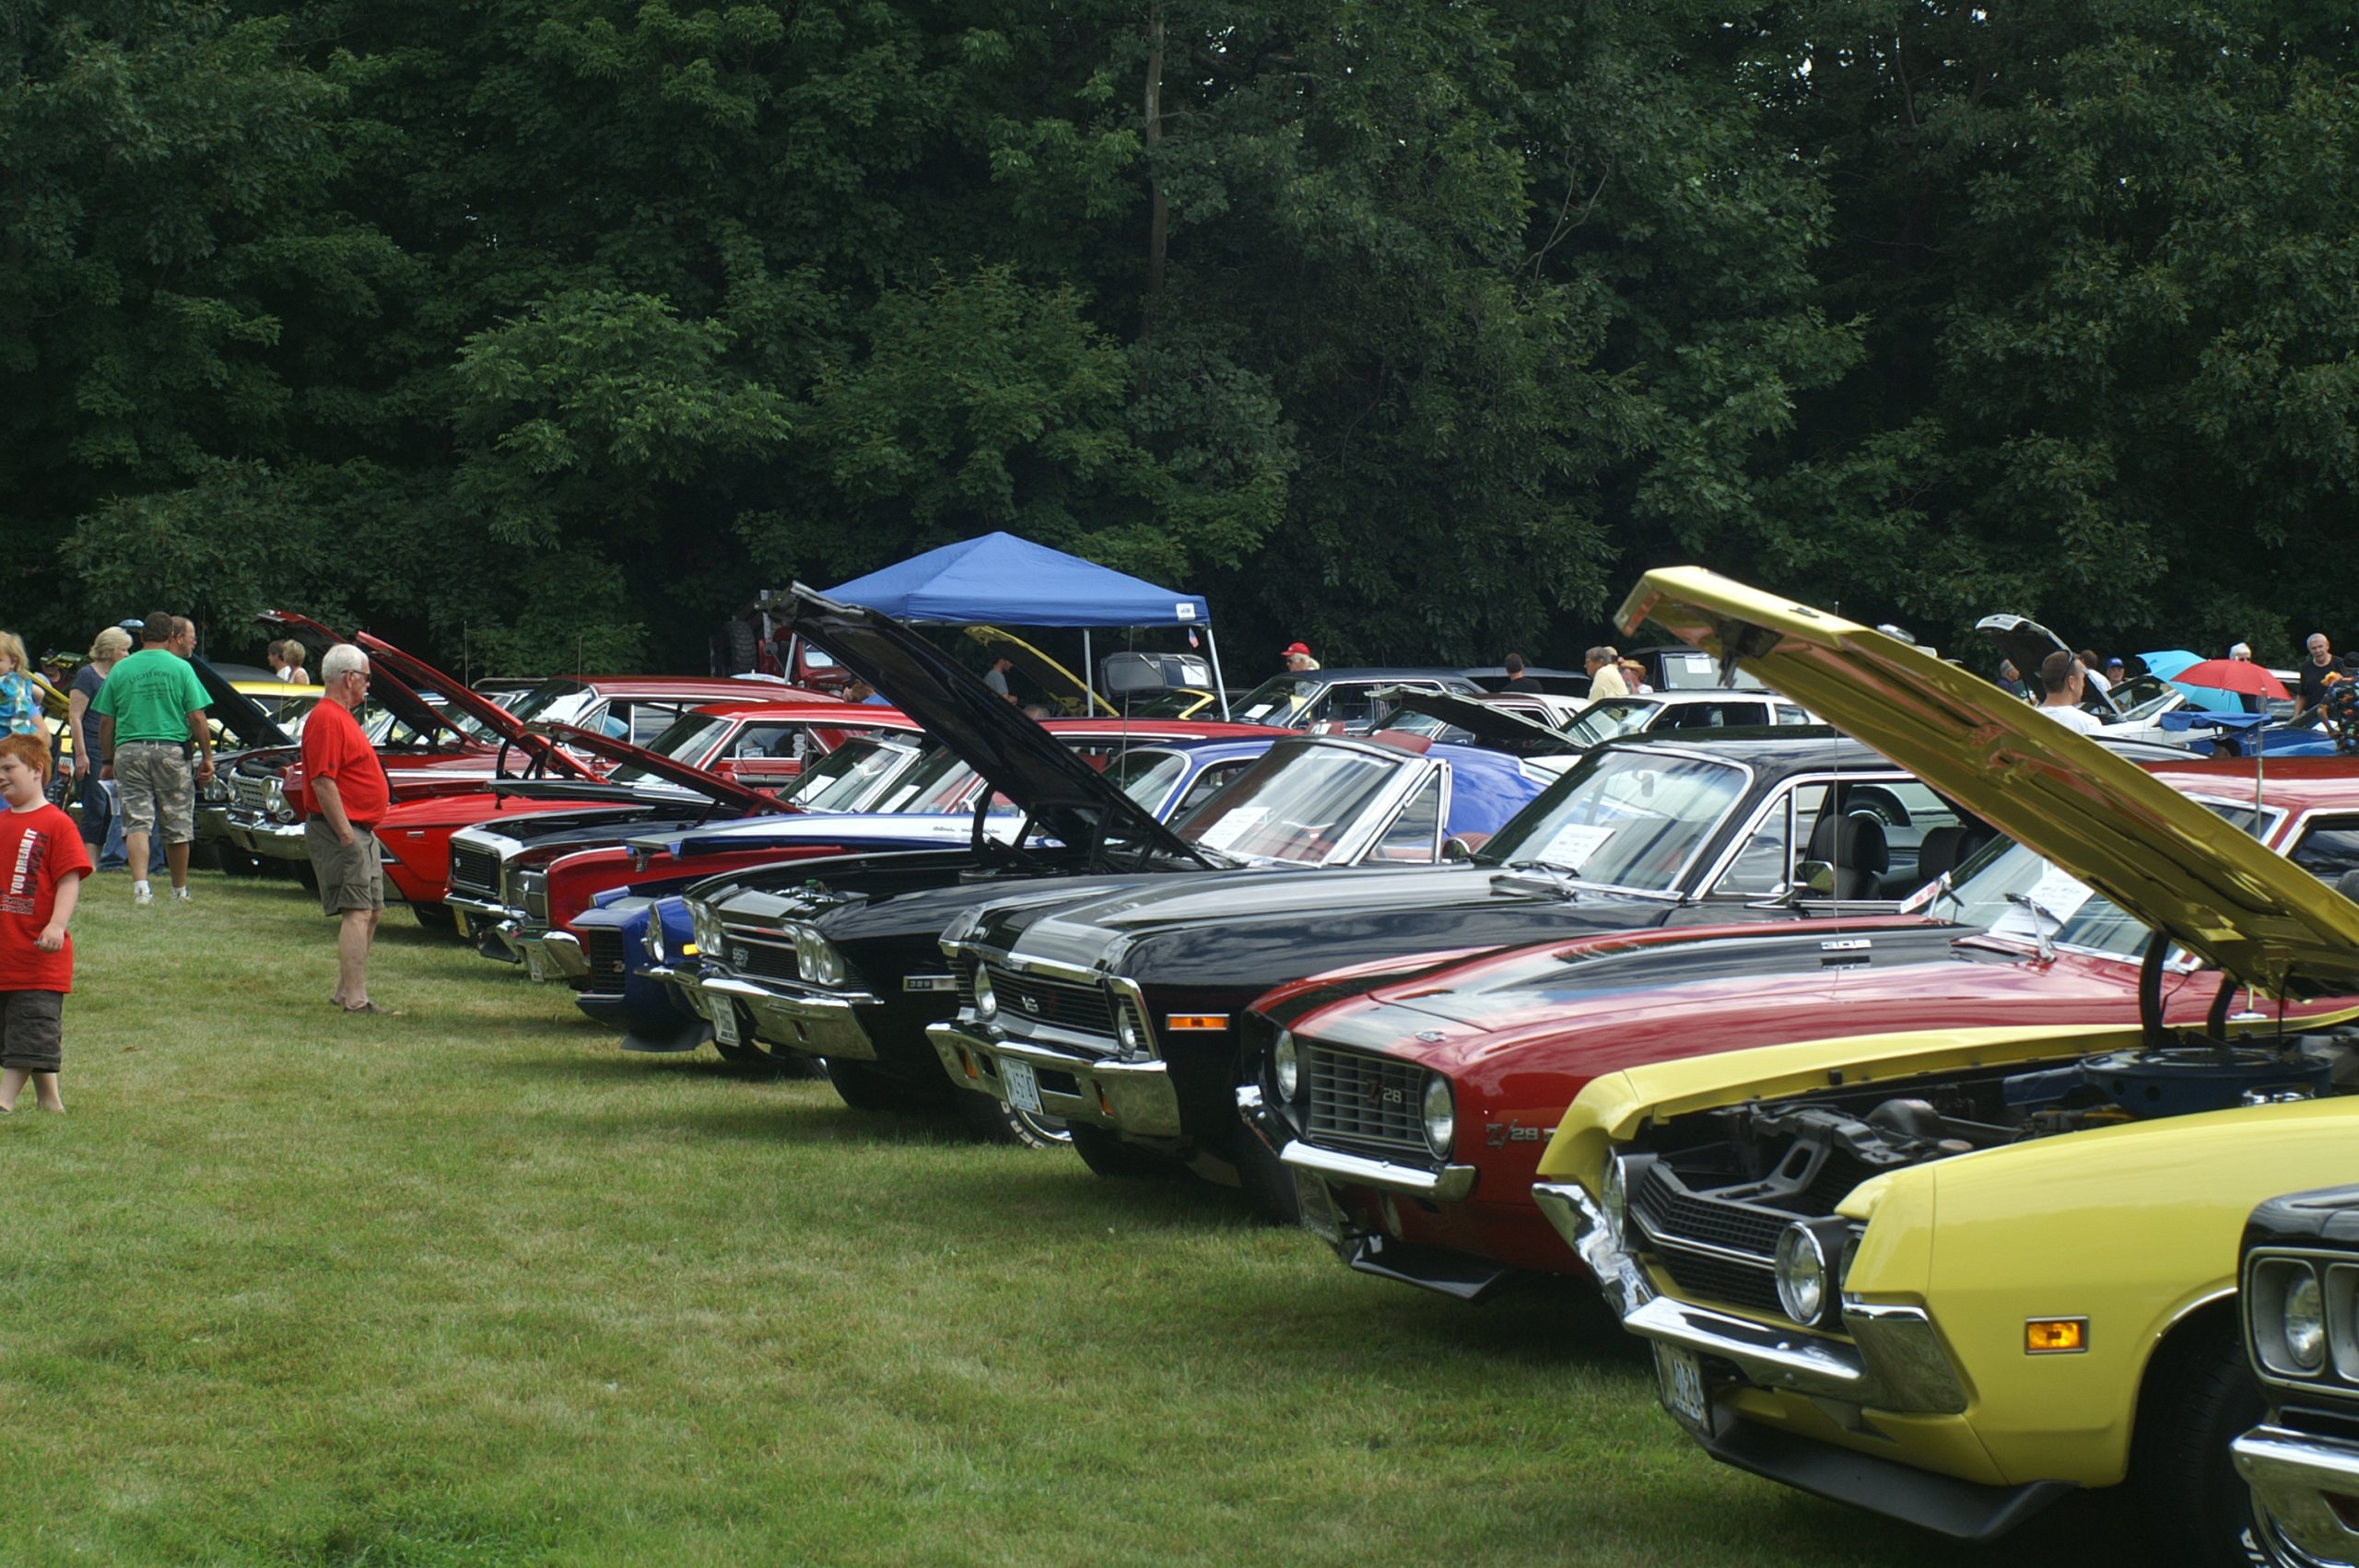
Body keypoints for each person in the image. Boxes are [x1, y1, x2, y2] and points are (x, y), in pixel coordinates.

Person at [91, 611, 214, 906]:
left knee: (136, 821)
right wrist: (207, 757)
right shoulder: (181, 668)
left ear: (142, 636)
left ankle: (141, 888)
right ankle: (179, 890)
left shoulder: (121, 669)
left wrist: (108, 760)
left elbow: (107, 721)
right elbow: (197, 716)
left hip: (130, 750)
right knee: (177, 822)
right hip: (171, 750)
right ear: (172, 636)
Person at [0, 733, 88, 1112]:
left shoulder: (57, 823)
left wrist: (56, 924)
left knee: (31, 1026)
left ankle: (3, 1101)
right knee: (22, 1032)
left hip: (40, 956)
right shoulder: (1, 823)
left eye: (8, 768)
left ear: (37, 770)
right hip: (7, 953)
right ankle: (49, 1101)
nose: (1, 777)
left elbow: (70, 877)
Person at [302, 645, 391, 1014]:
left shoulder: (341, 717)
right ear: (350, 677)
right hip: (344, 830)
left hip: (360, 829)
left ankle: (343, 991)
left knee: (371, 911)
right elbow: (323, 780)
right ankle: (356, 999)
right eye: (367, 677)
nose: (368, 685)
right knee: (356, 910)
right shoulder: (326, 718)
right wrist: (343, 833)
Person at [68, 626, 130, 864]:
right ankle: (88, 861)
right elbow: (75, 717)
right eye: (123, 649)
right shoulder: (87, 675)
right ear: (110, 650)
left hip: (111, 748)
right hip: (91, 747)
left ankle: (102, 858)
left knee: (109, 808)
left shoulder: (118, 676)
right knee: (95, 805)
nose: (127, 654)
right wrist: (81, 755)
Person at [2036, 650, 2104, 734]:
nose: (2083, 684)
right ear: (2072, 682)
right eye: (2082, 678)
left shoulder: (2026, 719)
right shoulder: (2088, 724)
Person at [2296, 633, 2353, 724]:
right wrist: (2296, 716)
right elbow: (2302, 694)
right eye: (2314, 648)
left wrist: (2341, 681)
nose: (2318, 651)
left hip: (2336, 716)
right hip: (2312, 718)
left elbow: (2352, 689)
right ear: (2309, 650)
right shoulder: (2306, 667)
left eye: (2320, 646)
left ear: (2327, 646)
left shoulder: (2340, 664)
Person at [0, 633, 40, 737]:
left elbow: (21, 712)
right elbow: (41, 694)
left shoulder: (6, 683)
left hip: (10, 736)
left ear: (13, 663)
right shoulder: (21, 681)